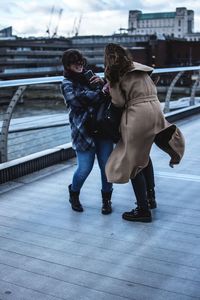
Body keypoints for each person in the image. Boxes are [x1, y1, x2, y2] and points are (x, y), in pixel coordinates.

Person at [104, 43, 185, 222]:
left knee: (133, 162)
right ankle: (150, 198)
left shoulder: (114, 73)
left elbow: (118, 102)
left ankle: (143, 210)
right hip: (155, 111)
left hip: (137, 117)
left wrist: (108, 88)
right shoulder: (139, 68)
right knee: (144, 157)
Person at [61, 49, 113, 214]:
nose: (79, 65)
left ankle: (106, 201)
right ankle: (74, 193)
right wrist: (101, 92)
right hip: (83, 132)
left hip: (103, 129)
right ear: (67, 65)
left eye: (81, 61)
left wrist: (103, 82)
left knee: (107, 168)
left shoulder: (92, 77)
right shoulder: (66, 83)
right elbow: (76, 100)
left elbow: (109, 93)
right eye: (74, 62)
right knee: (84, 168)